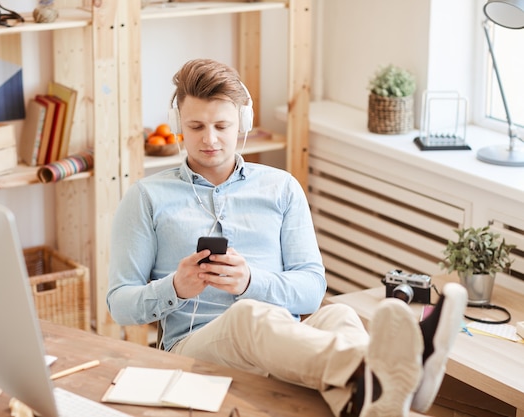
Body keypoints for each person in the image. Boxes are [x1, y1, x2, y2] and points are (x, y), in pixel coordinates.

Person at [107, 58, 468, 417]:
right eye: (196, 126)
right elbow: (120, 304)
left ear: (243, 124)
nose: (210, 138)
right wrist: (176, 287)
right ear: (178, 126)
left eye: (222, 125)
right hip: (193, 348)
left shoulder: (281, 189)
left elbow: (312, 289)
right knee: (249, 316)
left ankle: (371, 401)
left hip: (284, 342)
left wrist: (251, 281)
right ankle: (399, 370)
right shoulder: (147, 197)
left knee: (340, 314)